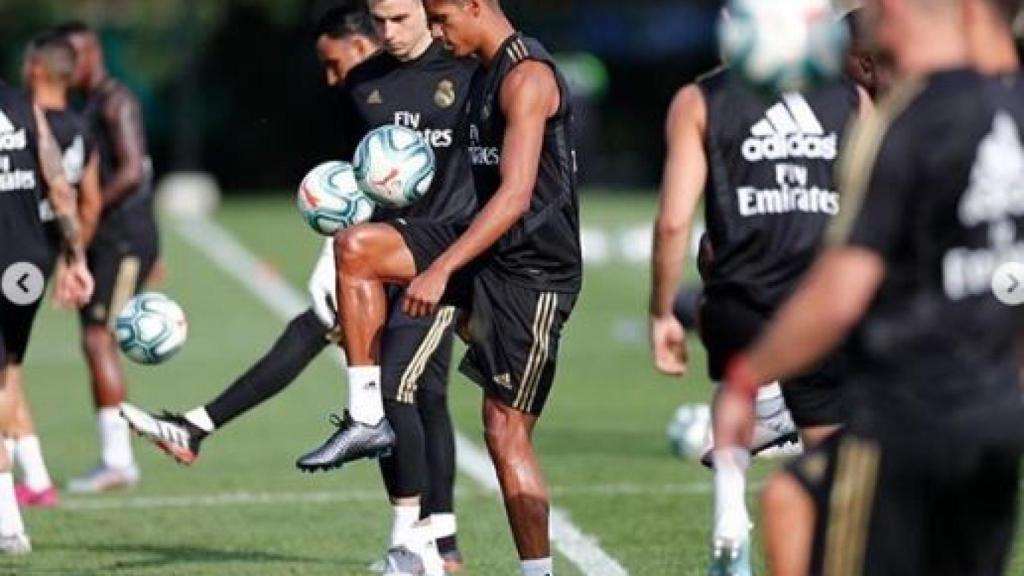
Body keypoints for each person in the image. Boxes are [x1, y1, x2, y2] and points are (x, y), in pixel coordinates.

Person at [119, 4, 472, 572]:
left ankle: (432, 544)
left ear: (363, 41)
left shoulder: (463, 70)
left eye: (334, 63)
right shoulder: (365, 90)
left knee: (407, 390)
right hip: (381, 256)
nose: (332, 79)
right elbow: (366, 181)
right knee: (395, 389)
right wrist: (333, 247)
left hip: (442, 258)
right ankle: (426, 545)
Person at [715, 0, 1024, 573]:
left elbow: (839, 294)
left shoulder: (905, 123)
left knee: (792, 503)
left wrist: (746, 377)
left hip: (905, 418)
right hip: (997, 422)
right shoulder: (1011, 109)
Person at [295, 1, 581, 574]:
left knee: (504, 435)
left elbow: (516, 194)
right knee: (356, 249)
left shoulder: (526, 76)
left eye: (443, 17)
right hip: (479, 245)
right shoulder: (476, 72)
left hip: (531, 270)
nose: (437, 31)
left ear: (475, 6)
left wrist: (441, 268)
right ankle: (366, 416)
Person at [648, 8, 871, 571]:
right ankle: (835, 534)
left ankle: (729, 508)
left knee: (740, 385)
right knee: (829, 434)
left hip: (739, 289)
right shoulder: (848, 99)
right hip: (820, 296)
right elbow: (876, 205)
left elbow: (674, 220)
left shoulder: (700, 99)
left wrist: (661, 313)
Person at [55, 21, 160, 494]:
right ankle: (113, 456)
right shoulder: (88, 104)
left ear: (90, 55)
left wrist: (85, 207)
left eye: (69, 58)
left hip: (122, 237)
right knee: (92, 338)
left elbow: (133, 170)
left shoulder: (117, 101)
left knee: (100, 339)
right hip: (107, 238)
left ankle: (119, 461)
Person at [5, 30, 102, 509]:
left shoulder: (30, 105)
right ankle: (34, 480)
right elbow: (70, 190)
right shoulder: (29, 112)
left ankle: (8, 516)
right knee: (10, 373)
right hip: (31, 258)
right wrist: (75, 257)